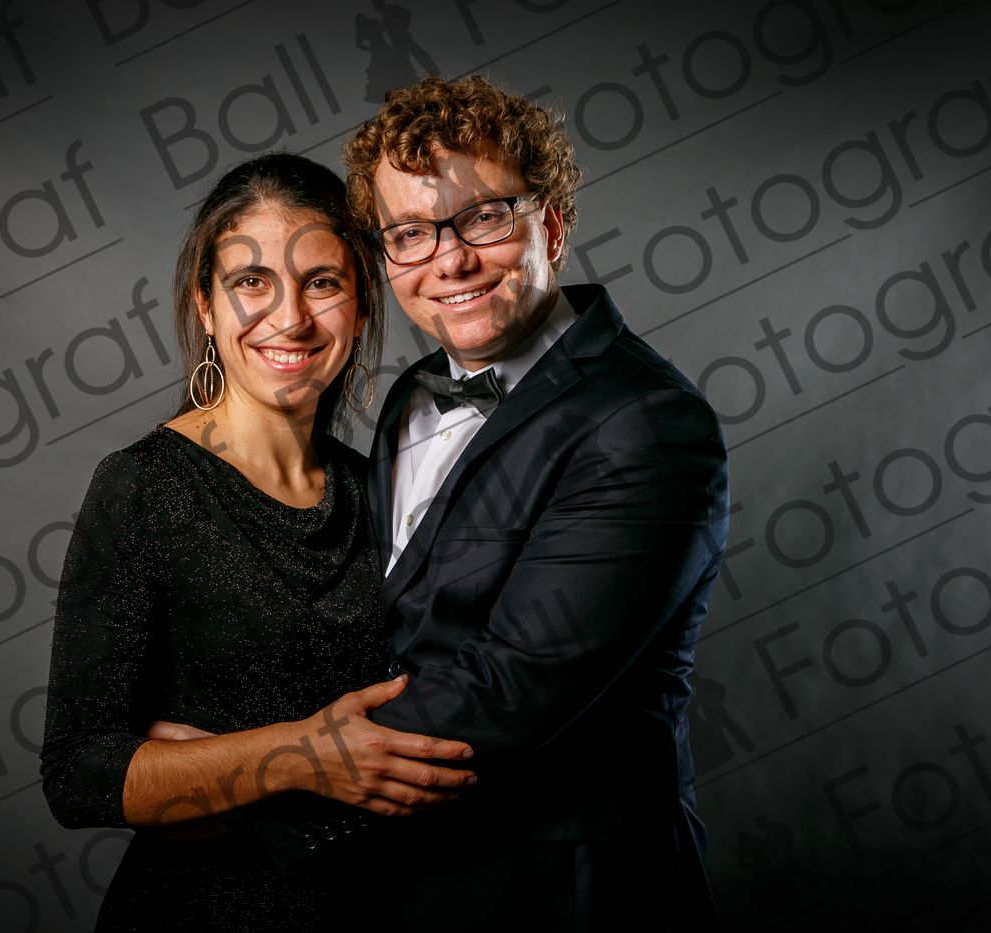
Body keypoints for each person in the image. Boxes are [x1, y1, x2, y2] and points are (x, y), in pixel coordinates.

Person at [246, 76, 731, 931]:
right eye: (410, 233)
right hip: (402, 886)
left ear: (551, 225)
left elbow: (509, 688)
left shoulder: (647, 421)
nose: (450, 259)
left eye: (483, 218)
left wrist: (249, 781)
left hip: (572, 898)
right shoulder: (410, 396)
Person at [38, 152, 477, 932]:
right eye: (251, 281)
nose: (290, 318)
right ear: (205, 305)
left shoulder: (384, 488)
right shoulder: (142, 487)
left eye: (322, 282)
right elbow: (78, 773)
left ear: (362, 305)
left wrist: (212, 776)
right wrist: (300, 756)